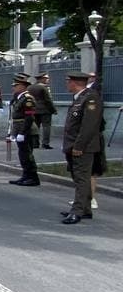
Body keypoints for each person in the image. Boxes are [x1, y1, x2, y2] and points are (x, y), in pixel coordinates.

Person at [61, 71, 103, 225]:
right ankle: (85, 209)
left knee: (82, 179)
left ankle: (77, 211)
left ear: (75, 83)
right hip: (73, 145)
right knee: (78, 177)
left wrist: (79, 146)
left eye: (69, 81)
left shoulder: (90, 98)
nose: (67, 84)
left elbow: (89, 126)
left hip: (83, 147)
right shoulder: (79, 98)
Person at [7, 73, 40, 186]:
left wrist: (22, 133)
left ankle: (33, 178)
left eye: (16, 85)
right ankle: (25, 176)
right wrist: (13, 133)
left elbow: (29, 117)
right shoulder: (19, 98)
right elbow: (14, 117)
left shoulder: (28, 99)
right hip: (20, 130)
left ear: (23, 86)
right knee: (23, 155)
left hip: (27, 131)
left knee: (28, 155)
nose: (14, 87)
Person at [30, 72, 56, 149]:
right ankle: (45, 143)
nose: (48, 80)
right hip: (45, 110)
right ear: (42, 79)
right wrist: (53, 110)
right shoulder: (44, 88)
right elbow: (48, 100)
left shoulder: (30, 87)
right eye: (46, 78)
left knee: (35, 127)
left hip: (34, 110)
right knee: (46, 127)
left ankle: (35, 143)